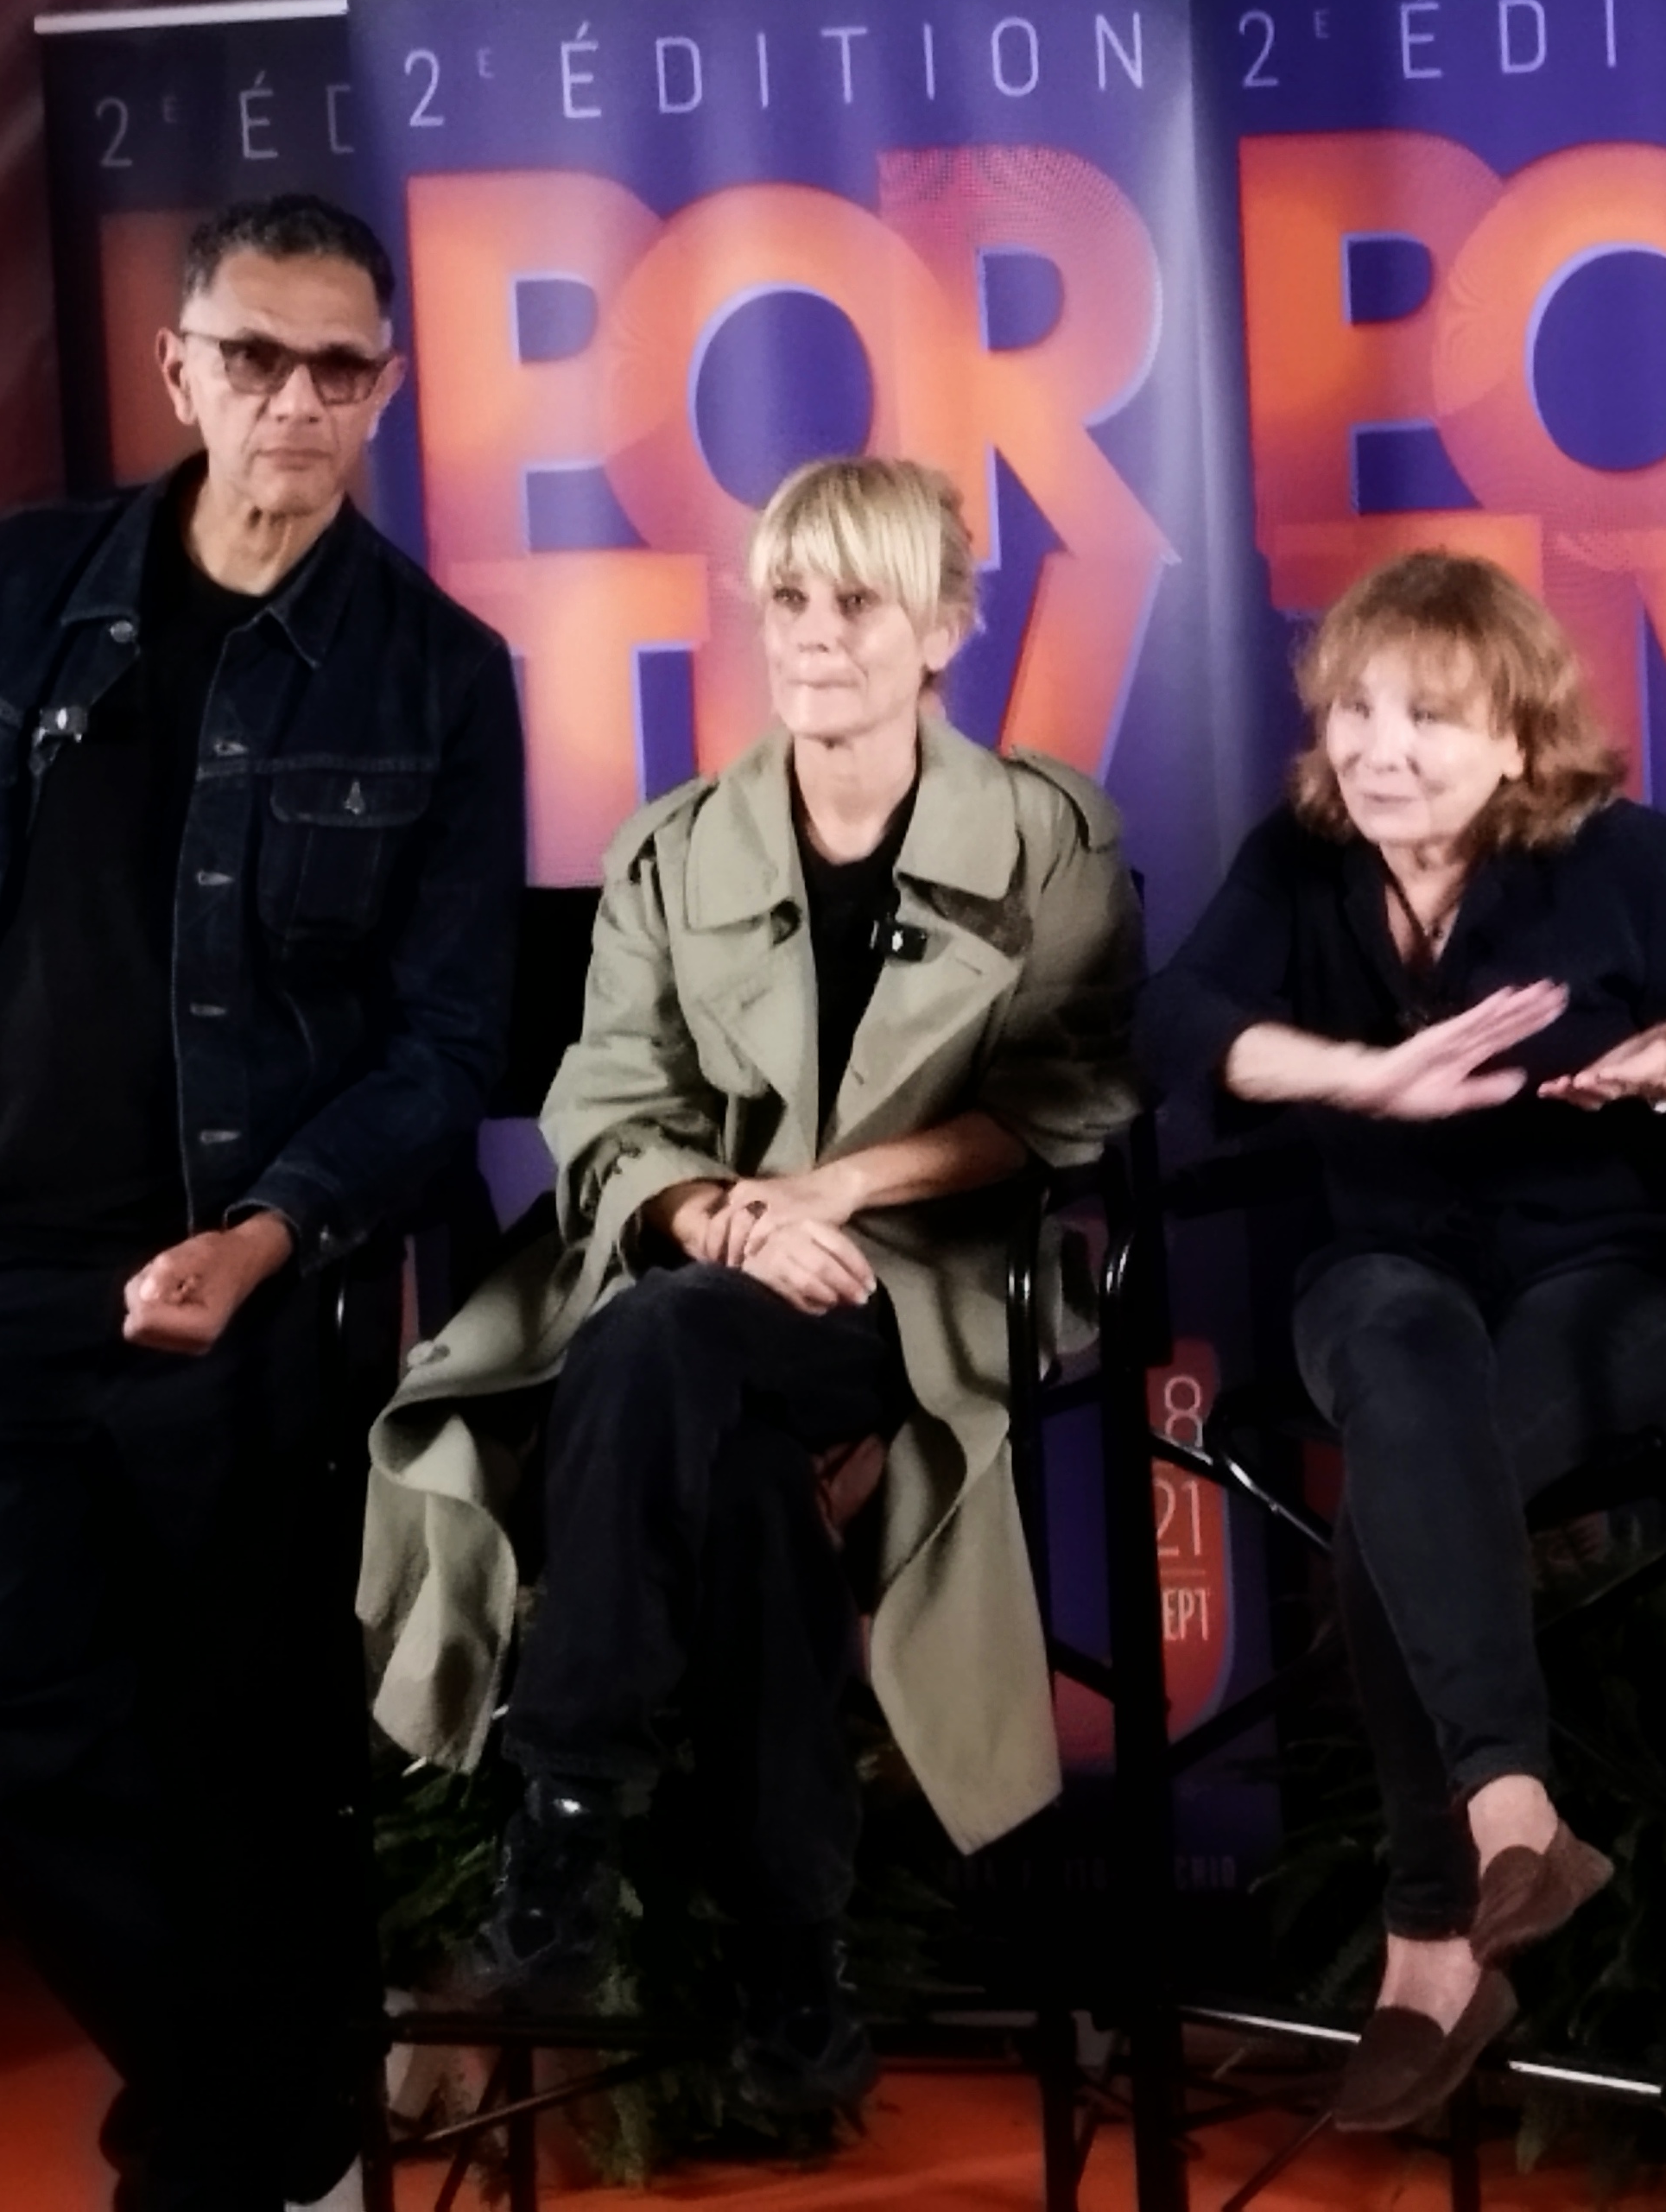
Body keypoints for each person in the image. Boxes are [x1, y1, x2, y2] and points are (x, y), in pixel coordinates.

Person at [0, 193, 525, 2212]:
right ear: (181, 369)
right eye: (256, 357)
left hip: (241, 1271)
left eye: (338, 368)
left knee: (250, 1751)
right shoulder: (16, 584)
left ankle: (226, 2166)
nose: (294, 404)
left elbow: (445, 1039)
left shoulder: (435, 674)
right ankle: (277, 2109)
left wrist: (276, 1234)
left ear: (385, 388)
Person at [359, 455, 1140, 2115]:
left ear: (942, 628)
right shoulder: (674, 848)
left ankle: (561, 1831)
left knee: (657, 1363)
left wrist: (836, 1190)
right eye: (789, 597)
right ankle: (799, 1990)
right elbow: (607, 1098)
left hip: (912, 1295)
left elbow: (1070, 1096)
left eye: (858, 601)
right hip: (702, 1288)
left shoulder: (1052, 835)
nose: (816, 636)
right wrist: (719, 1216)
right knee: (723, 1458)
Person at [1142, 549, 1666, 2133]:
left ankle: (1431, 1937)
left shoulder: (1630, 860)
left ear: (1519, 737)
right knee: (1391, 1356)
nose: (1380, 749)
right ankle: (1517, 1812)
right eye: (1358, 711)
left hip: (1632, 1276)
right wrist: (1353, 1078)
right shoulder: (1303, 864)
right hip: (1395, 1264)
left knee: (1412, 1465)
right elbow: (1169, 1024)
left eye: (1429, 718)